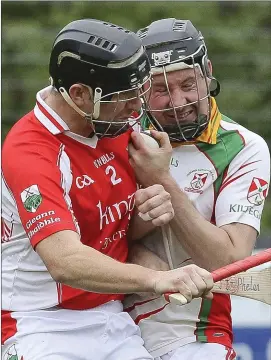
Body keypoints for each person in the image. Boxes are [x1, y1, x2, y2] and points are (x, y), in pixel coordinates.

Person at [1, 18, 215, 360]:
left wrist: (152, 205)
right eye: (125, 98)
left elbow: (114, 227)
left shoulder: (114, 124)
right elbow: (65, 261)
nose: (137, 110)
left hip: (111, 319)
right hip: (38, 324)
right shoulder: (30, 152)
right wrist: (157, 278)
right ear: (80, 95)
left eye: (140, 94)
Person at [125, 18, 270, 360]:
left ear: (208, 72)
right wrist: (141, 258)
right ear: (142, 90)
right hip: (107, 319)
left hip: (193, 334)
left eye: (188, 83)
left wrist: (163, 182)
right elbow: (85, 238)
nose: (179, 101)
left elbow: (230, 260)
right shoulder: (116, 136)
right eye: (161, 90)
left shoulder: (245, 148)